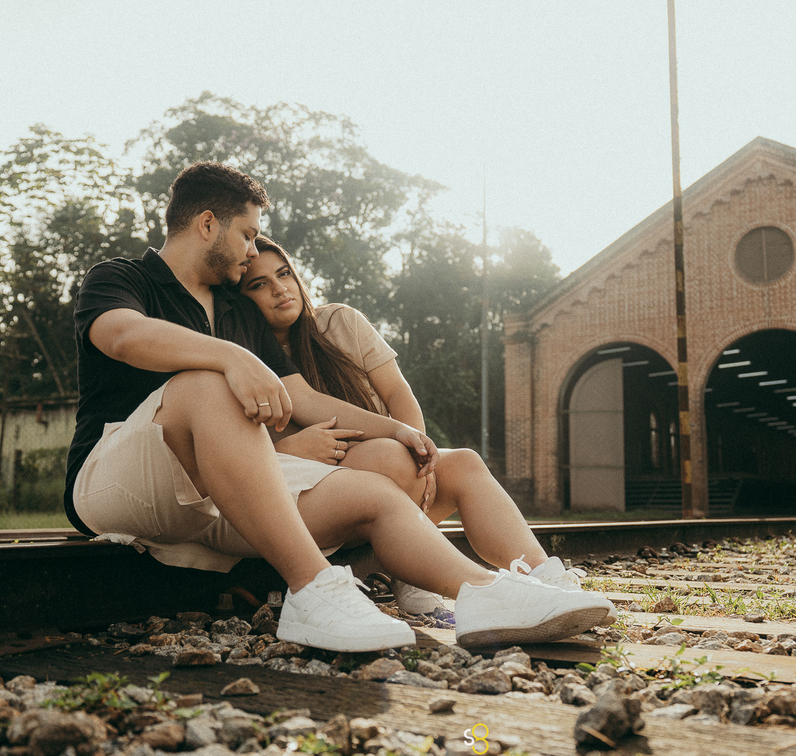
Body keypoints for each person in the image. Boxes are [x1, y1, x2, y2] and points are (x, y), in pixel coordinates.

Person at [64, 161, 612, 653]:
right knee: (206, 385)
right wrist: (229, 358)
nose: (253, 250)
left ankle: (486, 595)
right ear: (207, 223)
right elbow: (122, 335)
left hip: (216, 500)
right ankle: (314, 591)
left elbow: (301, 398)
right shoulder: (122, 278)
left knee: (374, 493)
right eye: (248, 235)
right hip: (119, 480)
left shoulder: (237, 310)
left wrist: (395, 430)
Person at [238, 236, 616, 620]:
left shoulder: (340, 322)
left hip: (385, 474)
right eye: (259, 284)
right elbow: (237, 453)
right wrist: (290, 448)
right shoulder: (246, 356)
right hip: (315, 496)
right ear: (239, 299)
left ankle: (547, 578)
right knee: (391, 458)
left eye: (283, 274)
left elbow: (398, 391)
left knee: (464, 462)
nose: (279, 288)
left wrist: (420, 453)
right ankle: (422, 574)